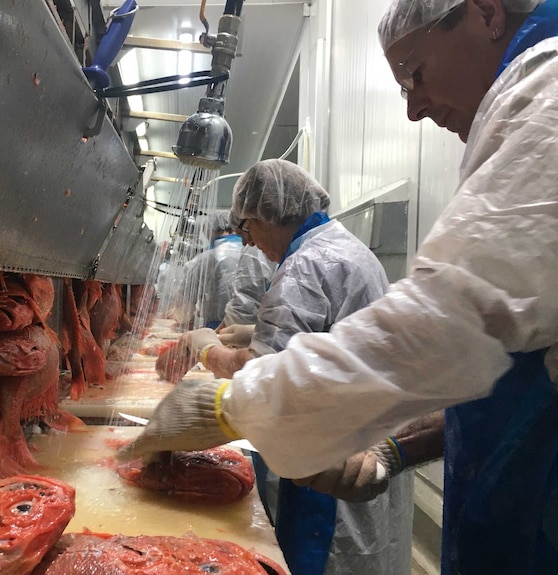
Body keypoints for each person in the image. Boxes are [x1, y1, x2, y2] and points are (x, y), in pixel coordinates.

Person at [119, 0, 558, 572]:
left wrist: (236, 404)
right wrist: (397, 449)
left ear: (486, 13)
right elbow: (499, 357)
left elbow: (450, 323)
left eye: (416, 74)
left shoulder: (545, 97)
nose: (414, 109)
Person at [164, 159, 415, 575]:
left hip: (334, 464)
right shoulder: (345, 247)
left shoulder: (305, 265)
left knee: (328, 560)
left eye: (246, 228)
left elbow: (259, 374)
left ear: (265, 214)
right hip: (366, 438)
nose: (248, 242)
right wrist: (252, 330)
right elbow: (332, 334)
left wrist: (207, 350)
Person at [171, 210, 243, 329]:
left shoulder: (206, 258)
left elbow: (184, 304)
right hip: (255, 332)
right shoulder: (257, 253)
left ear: (211, 231)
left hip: (217, 331)